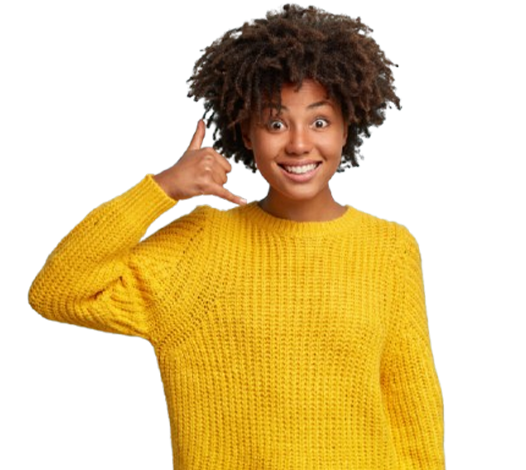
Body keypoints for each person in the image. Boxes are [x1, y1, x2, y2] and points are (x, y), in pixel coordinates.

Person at [29, 3, 445, 469]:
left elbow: (412, 411)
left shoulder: (388, 250)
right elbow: (58, 290)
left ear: (348, 127)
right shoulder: (199, 247)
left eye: (320, 121)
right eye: (275, 123)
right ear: (246, 133)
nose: (299, 143)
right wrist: (163, 189)